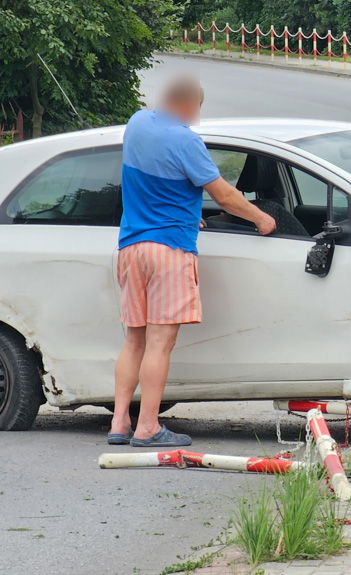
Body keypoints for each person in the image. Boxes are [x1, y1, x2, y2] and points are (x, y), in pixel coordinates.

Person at [107, 76, 277, 447]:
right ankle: (148, 427)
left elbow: (160, 184)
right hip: (168, 250)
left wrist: (186, 211)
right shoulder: (186, 140)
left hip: (131, 247)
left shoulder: (137, 124)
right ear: (189, 105)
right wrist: (262, 219)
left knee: (134, 340)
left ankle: (120, 423)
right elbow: (226, 196)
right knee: (159, 343)